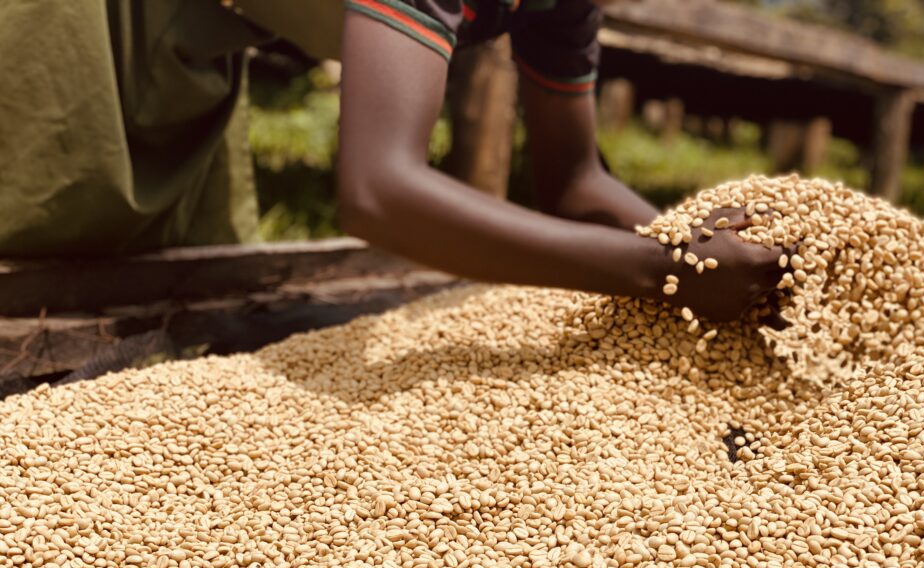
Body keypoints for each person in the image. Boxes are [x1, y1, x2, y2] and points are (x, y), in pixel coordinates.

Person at [0, 0, 785, 323]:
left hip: (200, 55)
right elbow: (378, 192)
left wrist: (694, 243)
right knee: (40, 242)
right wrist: (663, 273)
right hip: (82, 27)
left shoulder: (567, 7)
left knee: (186, 300)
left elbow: (575, 181)